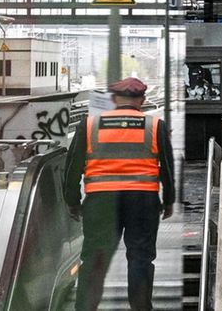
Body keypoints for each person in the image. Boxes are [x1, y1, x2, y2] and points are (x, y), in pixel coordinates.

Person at [63, 76, 175, 311]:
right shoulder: (154, 126)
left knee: (94, 258)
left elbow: (72, 167)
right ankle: (141, 307)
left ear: (114, 99)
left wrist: (72, 201)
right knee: (141, 258)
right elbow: (167, 165)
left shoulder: (89, 124)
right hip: (143, 201)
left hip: (101, 201)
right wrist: (169, 200)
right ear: (142, 101)